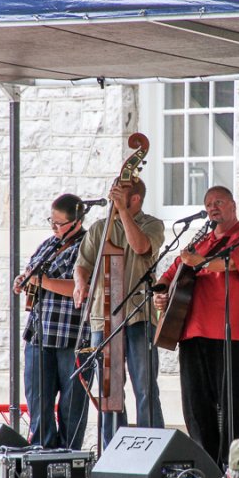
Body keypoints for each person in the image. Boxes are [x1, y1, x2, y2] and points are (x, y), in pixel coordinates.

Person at [154, 186, 239, 466]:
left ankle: (234, 468)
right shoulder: (199, 241)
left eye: (219, 202)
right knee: (196, 407)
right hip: (192, 333)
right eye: (208, 204)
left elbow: (229, 264)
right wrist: (161, 293)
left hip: (232, 334)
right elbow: (169, 274)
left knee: (232, 406)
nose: (213, 207)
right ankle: (208, 467)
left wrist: (199, 262)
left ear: (233, 206)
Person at [73, 178, 165, 445]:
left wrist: (123, 212)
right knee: (109, 391)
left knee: (145, 388)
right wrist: (80, 283)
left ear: (135, 199)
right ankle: (113, 448)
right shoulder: (99, 228)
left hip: (138, 316)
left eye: (119, 192)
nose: (112, 195)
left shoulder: (152, 224)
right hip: (103, 319)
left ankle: (152, 447)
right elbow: (82, 264)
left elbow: (141, 247)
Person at [13, 194, 89, 449]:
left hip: (71, 335)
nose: (54, 228)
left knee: (72, 405)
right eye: (51, 222)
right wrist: (22, 281)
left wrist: (41, 281)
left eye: (59, 223)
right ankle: (42, 453)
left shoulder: (87, 246)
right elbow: (32, 274)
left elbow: (80, 288)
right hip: (39, 334)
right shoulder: (48, 244)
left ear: (77, 221)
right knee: (38, 400)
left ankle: (69, 456)